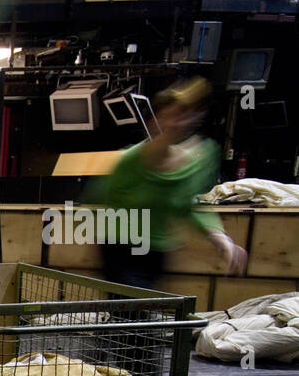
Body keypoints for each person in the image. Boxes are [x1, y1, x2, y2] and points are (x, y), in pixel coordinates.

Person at [86, 77, 247, 291]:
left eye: (185, 115)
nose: (176, 122)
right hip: (120, 247)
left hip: (158, 251)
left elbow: (189, 205)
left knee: (142, 313)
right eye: (172, 114)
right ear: (158, 118)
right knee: (134, 313)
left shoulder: (198, 161)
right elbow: (95, 197)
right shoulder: (129, 161)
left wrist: (220, 239)